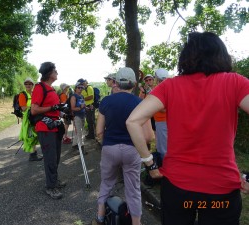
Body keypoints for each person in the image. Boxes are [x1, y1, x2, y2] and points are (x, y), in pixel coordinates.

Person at [126, 31, 249, 225]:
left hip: (178, 190)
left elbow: (132, 121)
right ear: (221, 55)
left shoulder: (169, 86)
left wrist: (150, 163)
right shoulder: (235, 82)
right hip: (220, 191)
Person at [92, 67, 154, 225]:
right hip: (132, 150)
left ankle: (100, 216)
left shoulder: (106, 101)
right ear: (134, 84)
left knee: (106, 182)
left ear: (116, 83)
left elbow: (99, 131)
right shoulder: (140, 103)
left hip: (109, 148)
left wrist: (108, 140)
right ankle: (136, 222)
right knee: (133, 188)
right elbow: (149, 136)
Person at [31, 62, 67, 200]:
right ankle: (51, 187)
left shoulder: (51, 89)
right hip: (45, 128)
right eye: (55, 70)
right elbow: (34, 110)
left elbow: (55, 109)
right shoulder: (40, 88)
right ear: (49, 73)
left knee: (56, 156)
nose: (57, 72)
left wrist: (64, 114)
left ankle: (54, 181)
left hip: (54, 127)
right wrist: (52, 108)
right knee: (50, 158)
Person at [19, 77, 43, 161]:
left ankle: (34, 153)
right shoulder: (23, 94)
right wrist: (34, 107)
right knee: (30, 136)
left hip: (35, 117)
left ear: (33, 85)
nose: (28, 85)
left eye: (30, 84)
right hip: (28, 119)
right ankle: (32, 155)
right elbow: (23, 108)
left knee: (35, 135)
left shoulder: (34, 93)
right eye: (26, 84)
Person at [152, 68, 169, 160]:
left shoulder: (161, 89)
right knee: (162, 145)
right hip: (163, 120)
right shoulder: (168, 88)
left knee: (162, 147)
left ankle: (164, 167)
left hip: (162, 121)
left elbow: (162, 109)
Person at [70, 82, 87, 155]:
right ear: (75, 88)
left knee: (80, 131)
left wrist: (88, 107)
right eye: (79, 87)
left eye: (82, 88)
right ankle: (81, 149)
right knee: (80, 133)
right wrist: (81, 107)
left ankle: (74, 145)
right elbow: (73, 108)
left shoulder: (82, 96)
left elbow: (83, 106)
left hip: (83, 115)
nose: (80, 89)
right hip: (77, 116)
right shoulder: (73, 97)